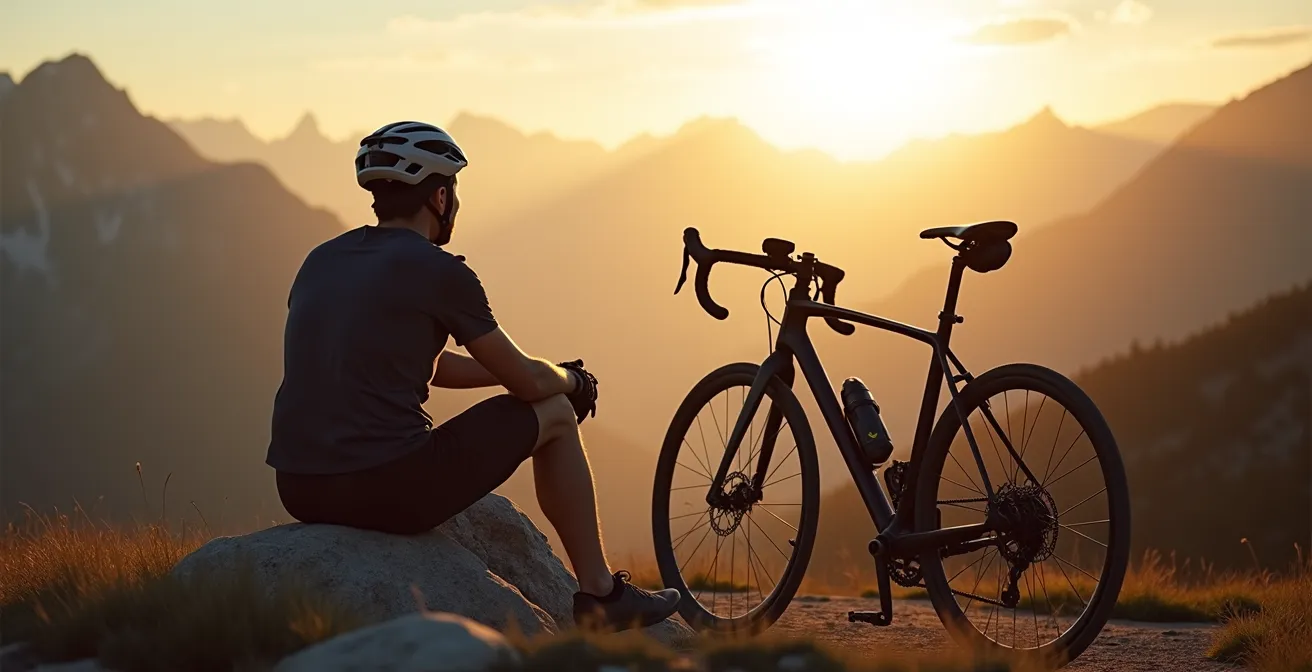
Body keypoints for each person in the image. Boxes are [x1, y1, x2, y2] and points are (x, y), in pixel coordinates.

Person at [266, 120, 680, 630]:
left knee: (542, 397)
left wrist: (508, 374)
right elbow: (530, 384)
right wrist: (572, 383)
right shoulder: (440, 271)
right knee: (553, 412)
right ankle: (602, 594)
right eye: (454, 190)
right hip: (387, 489)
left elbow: (424, 365)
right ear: (439, 196)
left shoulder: (321, 260)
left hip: (300, 487)